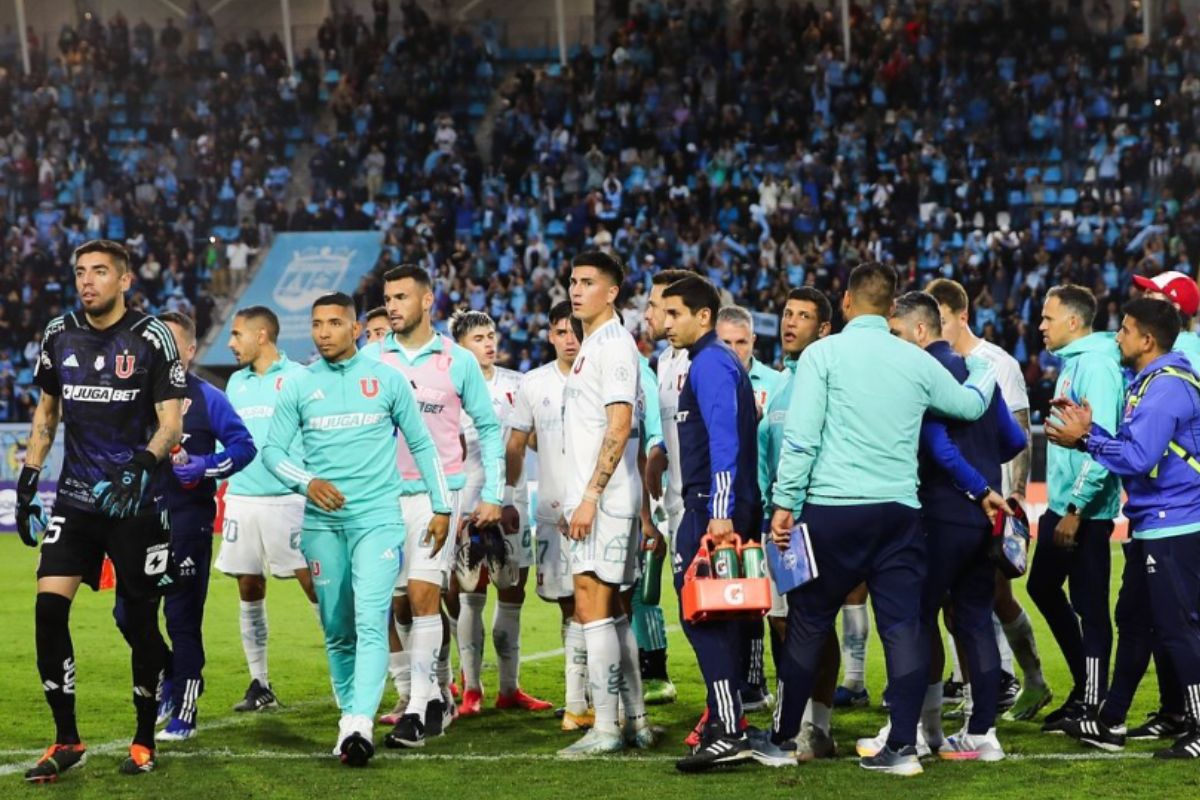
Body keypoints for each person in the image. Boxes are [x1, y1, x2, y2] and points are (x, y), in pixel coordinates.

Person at [767, 261, 997, 777]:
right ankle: (903, 749)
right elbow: (966, 406)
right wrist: (983, 368)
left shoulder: (822, 355)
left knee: (807, 623)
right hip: (898, 512)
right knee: (903, 626)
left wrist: (785, 502)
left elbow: (802, 438)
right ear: (892, 307)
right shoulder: (914, 360)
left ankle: (782, 739)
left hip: (832, 508)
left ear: (846, 304)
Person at [19, 240, 187, 782]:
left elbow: (171, 423)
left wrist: (141, 465)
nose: (86, 281)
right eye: (80, 272)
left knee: (140, 627)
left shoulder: (151, 337)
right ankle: (67, 738)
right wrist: (28, 479)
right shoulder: (57, 334)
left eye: (98, 272)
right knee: (48, 611)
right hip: (75, 499)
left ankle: (143, 738)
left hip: (136, 503)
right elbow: (48, 412)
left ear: (124, 280)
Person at [262, 291, 452, 767]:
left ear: (354, 328)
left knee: (371, 621)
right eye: (316, 324)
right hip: (323, 525)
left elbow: (422, 446)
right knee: (337, 627)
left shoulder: (385, 380)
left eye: (333, 323)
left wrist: (442, 506)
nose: (323, 332)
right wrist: (308, 482)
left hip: (377, 521)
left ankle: (358, 723)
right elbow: (272, 452)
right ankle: (351, 714)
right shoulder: (300, 386)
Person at [1046, 297, 1200, 759]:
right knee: (1133, 620)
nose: (1118, 337)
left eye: (1126, 330)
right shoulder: (1149, 383)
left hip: (1175, 525)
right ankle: (1110, 720)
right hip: (1153, 523)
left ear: (1147, 340)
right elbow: (1133, 450)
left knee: (1178, 629)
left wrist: (1087, 438)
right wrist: (1090, 429)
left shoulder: (1167, 389)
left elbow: (1137, 459)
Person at [362, 264, 503, 746]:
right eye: (388, 297)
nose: (393, 306)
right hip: (381, 496)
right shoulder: (373, 357)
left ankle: (418, 710)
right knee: (401, 603)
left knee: (424, 594)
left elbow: (487, 428)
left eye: (401, 297)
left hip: (435, 496)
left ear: (427, 301)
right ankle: (437, 691)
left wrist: (493, 494)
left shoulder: (456, 360)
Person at [885, 292, 1026, 762]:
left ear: (921, 331)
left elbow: (939, 449)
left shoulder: (922, 374)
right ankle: (983, 734)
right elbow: (1013, 439)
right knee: (974, 623)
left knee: (916, 620)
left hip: (941, 515)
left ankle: (912, 730)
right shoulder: (981, 375)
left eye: (897, 334)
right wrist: (986, 476)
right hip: (981, 524)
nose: (893, 343)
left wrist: (973, 484)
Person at [114, 311, 255, 743]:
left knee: (181, 620)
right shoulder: (129, 397)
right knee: (127, 615)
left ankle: (185, 711)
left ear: (191, 351)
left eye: (170, 343)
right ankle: (173, 677)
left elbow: (244, 447)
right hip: (137, 522)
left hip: (186, 522)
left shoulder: (208, 397)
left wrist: (206, 467)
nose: (159, 351)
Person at [928, 277, 1051, 722]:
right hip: (953, 502)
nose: (932, 329)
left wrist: (1016, 495)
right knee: (953, 604)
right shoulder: (931, 363)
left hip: (990, 502)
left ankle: (1027, 678)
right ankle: (981, 684)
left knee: (993, 596)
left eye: (939, 320)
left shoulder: (996, 363)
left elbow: (1019, 436)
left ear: (962, 316)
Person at [658, 276, 766, 772]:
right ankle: (730, 721)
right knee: (723, 614)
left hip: (711, 507)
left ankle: (728, 727)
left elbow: (726, 441)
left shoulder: (710, 364)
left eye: (674, 313)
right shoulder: (715, 363)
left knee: (702, 612)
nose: (665, 323)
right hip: (719, 502)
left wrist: (720, 511)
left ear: (704, 316)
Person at [558, 250, 650, 756]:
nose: (576, 290)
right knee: (612, 611)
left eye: (587, 282)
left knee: (592, 607)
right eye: (573, 281)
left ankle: (607, 728)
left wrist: (590, 496)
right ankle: (634, 720)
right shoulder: (594, 344)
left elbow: (618, 426)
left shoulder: (613, 346)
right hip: (603, 496)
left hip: (605, 498)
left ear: (612, 292)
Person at [1030, 284, 1124, 733]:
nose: (1040, 326)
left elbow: (1102, 444)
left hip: (1083, 510)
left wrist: (1077, 509)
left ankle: (1092, 703)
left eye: (1048, 318)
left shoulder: (1098, 366)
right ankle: (1084, 688)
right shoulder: (1075, 363)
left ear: (1073, 321)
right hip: (1060, 504)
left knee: (1090, 606)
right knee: (1042, 587)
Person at [453, 309, 552, 714]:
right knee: (469, 595)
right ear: (460, 347)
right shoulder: (449, 389)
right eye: (478, 338)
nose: (489, 343)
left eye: (491, 335)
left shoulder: (518, 384)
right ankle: (472, 688)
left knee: (512, 593)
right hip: (467, 503)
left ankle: (509, 688)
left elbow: (527, 444)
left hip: (512, 505)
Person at [220, 306, 317, 713]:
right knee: (248, 587)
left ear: (262, 336)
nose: (230, 342)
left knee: (317, 588)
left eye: (237, 334)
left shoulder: (299, 378)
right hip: (242, 497)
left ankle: (346, 676)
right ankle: (259, 683)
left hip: (289, 499)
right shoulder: (235, 384)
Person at [757, 287, 836, 761]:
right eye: (788, 314)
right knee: (785, 628)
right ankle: (796, 720)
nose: (791, 323)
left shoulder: (825, 379)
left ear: (823, 329)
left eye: (804, 316)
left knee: (815, 627)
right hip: (778, 526)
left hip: (815, 520)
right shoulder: (781, 384)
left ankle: (817, 727)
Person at [1122, 272, 1200, 737]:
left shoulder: (1176, 364)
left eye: (1151, 293)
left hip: (1177, 509)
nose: (1143, 296)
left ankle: (1188, 715)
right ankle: (1176, 712)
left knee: (1180, 622)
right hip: (1168, 508)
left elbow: (1145, 450)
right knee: (1167, 620)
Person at [507, 301, 589, 728]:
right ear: (550, 336)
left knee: (605, 604)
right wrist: (507, 496)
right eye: (561, 332)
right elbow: (518, 443)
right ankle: (579, 697)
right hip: (551, 513)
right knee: (566, 604)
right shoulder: (533, 383)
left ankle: (594, 699)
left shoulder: (599, 374)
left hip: (597, 512)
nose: (569, 339)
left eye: (575, 330)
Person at [714, 303, 779, 710]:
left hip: (762, 503)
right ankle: (729, 679)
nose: (736, 350)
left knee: (760, 596)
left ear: (753, 342)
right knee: (723, 594)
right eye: (727, 343)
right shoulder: (707, 378)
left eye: (742, 342)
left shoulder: (776, 383)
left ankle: (755, 679)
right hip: (724, 503)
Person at [640, 268, 695, 705]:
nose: (651, 313)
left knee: (706, 604)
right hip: (674, 499)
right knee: (688, 602)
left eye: (659, 305)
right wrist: (660, 448)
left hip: (702, 502)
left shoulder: (703, 359)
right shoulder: (666, 360)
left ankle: (734, 702)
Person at [1132, 271, 1200, 370]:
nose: (1143, 303)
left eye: (1150, 298)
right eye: (1144, 295)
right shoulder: (1159, 349)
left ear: (1174, 308)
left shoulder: (1186, 359)